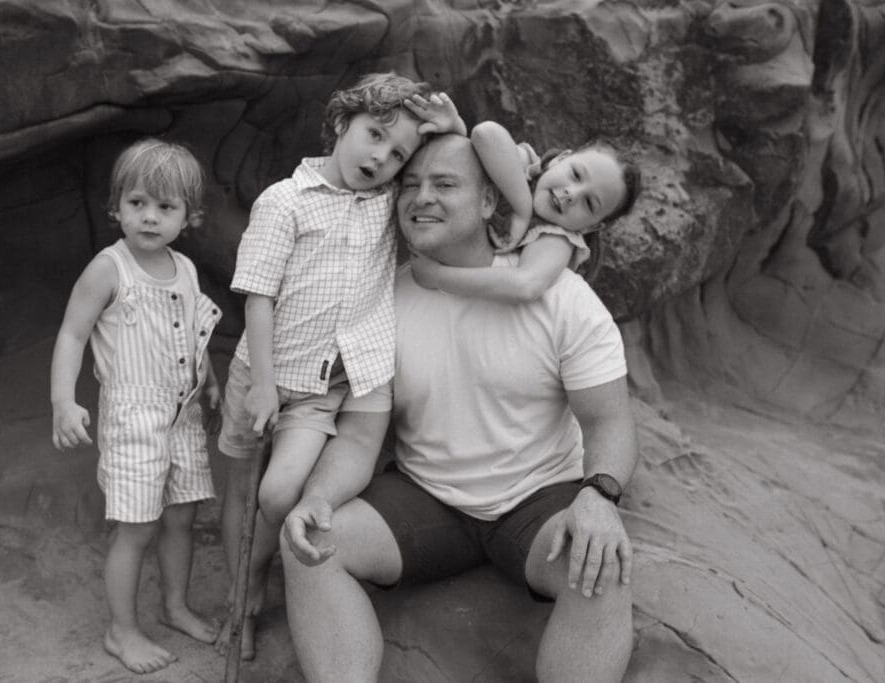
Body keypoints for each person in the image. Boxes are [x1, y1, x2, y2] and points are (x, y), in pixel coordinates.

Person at [280, 133, 639, 683]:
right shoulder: (385, 300)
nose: (423, 197)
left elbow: (608, 419)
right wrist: (318, 498)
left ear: (490, 199)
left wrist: (599, 495)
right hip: (428, 497)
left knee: (599, 566)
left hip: (538, 497)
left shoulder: (563, 297)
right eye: (411, 184)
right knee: (310, 544)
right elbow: (359, 437)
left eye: (445, 184)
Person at [214, 72, 466, 655]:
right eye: (375, 135)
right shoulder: (284, 200)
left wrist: (453, 129)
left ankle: (260, 578)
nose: (381, 158)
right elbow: (258, 295)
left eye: (398, 153)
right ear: (340, 122)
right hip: (266, 373)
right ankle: (240, 597)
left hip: (327, 384)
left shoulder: (388, 205)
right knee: (242, 489)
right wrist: (264, 386)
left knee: (278, 493)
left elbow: (453, 180)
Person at [50, 138, 222, 674]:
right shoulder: (110, 269)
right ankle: (121, 631)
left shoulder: (185, 268)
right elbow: (73, 334)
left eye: (165, 207)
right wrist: (63, 401)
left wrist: (210, 380)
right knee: (137, 527)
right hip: (133, 420)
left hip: (183, 415)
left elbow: (192, 334)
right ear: (116, 207)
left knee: (181, 517)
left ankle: (174, 606)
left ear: (189, 216)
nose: (150, 217)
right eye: (137, 203)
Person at [409, 120, 640, 302]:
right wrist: (522, 210)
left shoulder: (555, 238)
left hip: (448, 300)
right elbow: (485, 133)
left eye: (589, 203)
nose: (572, 194)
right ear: (560, 159)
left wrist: (437, 276)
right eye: (576, 174)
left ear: (591, 226)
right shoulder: (526, 169)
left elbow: (526, 285)